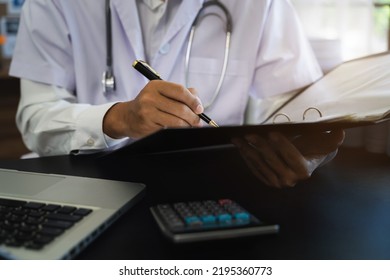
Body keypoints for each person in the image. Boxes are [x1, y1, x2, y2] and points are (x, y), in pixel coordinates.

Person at [10, 0, 345, 188]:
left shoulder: (261, 4)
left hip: (211, 188)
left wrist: (308, 152)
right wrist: (119, 119)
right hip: (88, 185)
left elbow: (306, 113)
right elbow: (35, 116)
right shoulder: (54, 4)